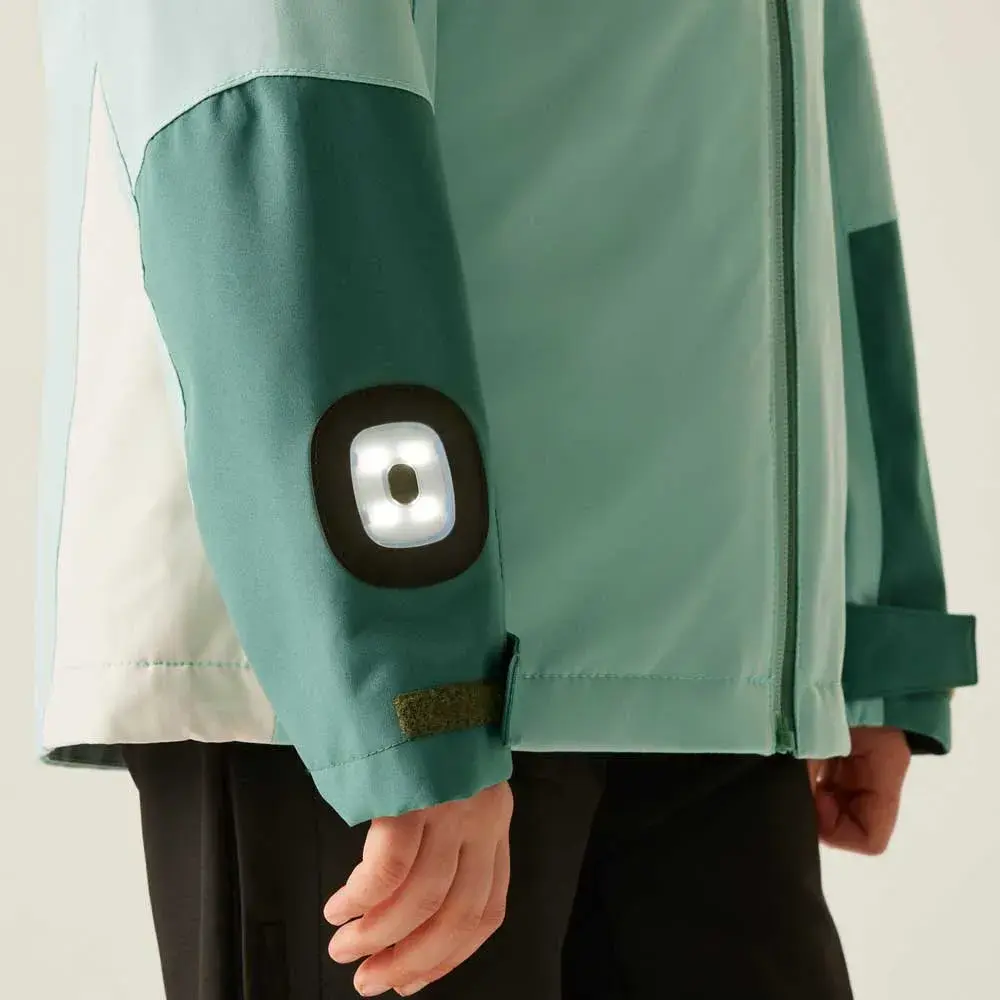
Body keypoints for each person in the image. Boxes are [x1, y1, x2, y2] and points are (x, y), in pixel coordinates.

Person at [34, 2, 978, 998]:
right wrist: (408, 674)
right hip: (361, 654)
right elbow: (278, 76)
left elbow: (813, 84)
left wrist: (866, 608)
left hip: (712, 658)